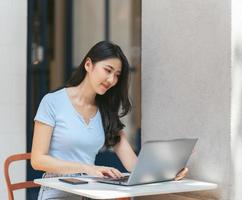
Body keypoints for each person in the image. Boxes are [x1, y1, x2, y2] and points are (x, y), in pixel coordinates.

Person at [31, 41, 188, 200]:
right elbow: (37, 160)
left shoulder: (106, 112)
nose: (112, 80)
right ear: (88, 64)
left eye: (117, 75)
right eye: (108, 70)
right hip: (57, 193)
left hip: (91, 193)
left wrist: (167, 173)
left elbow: (133, 165)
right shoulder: (52, 102)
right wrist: (87, 168)